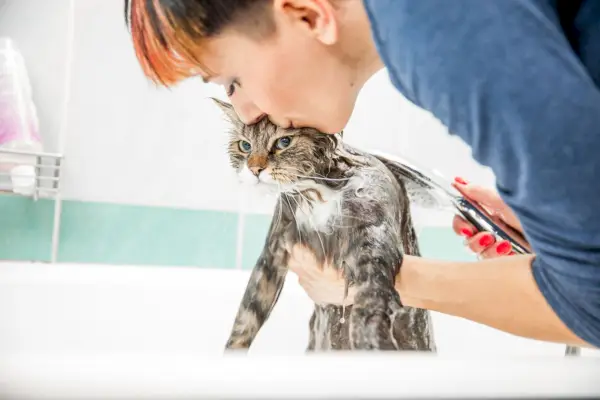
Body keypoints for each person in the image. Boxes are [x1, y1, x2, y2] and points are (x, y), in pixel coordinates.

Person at [124, 0, 600, 349]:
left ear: (308, 15)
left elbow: (593, 306)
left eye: (233, 82)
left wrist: (388, 279)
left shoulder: (437, 33)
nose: (246, 114)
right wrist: (562, 225)